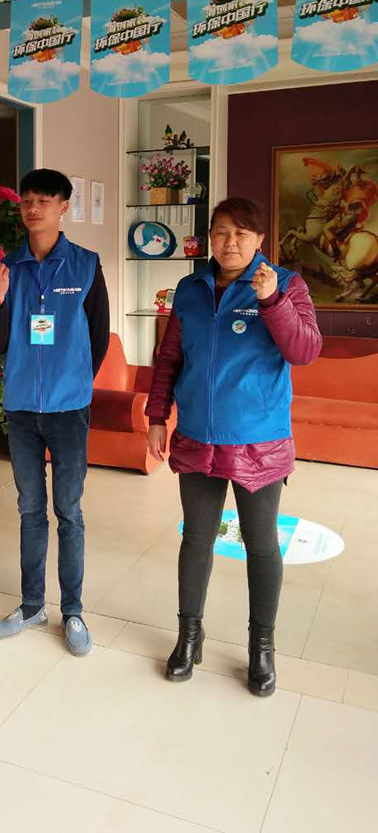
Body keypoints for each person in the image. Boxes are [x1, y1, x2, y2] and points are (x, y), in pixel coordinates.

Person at [145, 197, 321, 696]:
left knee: (261, 545)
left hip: (258, 443)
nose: (230, 243)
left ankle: (261, 648)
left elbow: (305, 350)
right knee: (196, 540)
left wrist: (272, 301)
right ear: (210, 238)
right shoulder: (191, 289)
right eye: (222, 233)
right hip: (197, 437)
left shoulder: (286, 284)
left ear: (260, 240)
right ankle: (189, 636)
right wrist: (156, 417)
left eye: (242, 234)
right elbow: (169, 358)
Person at [0, 169, 109, 655]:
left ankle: (72, 610)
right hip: (20, 408)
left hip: (68, 408)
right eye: (27, 201)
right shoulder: (7, 268)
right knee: (30, 510)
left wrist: (73, 380)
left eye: (44, 201)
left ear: (64, 207)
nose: (33, 209)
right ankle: (33, 605)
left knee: (68, 512)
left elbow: (98, 335)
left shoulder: (85, 265)